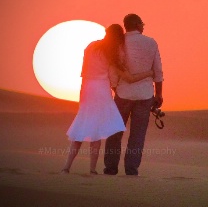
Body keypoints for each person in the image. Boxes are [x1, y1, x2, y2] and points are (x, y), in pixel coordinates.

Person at [61, 24, 154, 175]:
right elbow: (125, 78)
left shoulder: (91, 46)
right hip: (101, 90)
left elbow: (84, 70)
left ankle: (67, 166)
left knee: (82, 125)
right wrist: (149, 73)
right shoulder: (111, 52)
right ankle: (92, 169)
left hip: (86, 89)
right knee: (96, 130)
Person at [104, 14, 163, 176]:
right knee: (137, 134)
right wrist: (159, 94)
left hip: (123, 93)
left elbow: (113, 68)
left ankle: (110, 168)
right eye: (142, 24)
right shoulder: (151, 42)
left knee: (115, 132)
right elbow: (158, 71)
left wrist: (115, 87)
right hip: (145, 95)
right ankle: (131, 169)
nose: (143, 26)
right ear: (137, 25)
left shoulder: (119, 42)